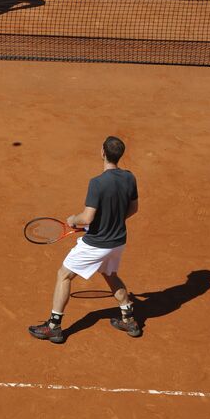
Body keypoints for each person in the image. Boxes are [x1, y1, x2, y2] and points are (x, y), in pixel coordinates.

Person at [29, 136, 141, 344]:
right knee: (110, 273)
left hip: (97, 244)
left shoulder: (97, 183)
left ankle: (53, 327)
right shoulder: (130, 178)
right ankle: (129, 319)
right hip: (118, 241)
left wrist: (73, 220)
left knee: (63, 275)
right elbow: (133, 209)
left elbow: (87, 217)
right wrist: (110, 223)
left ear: (102, 152)